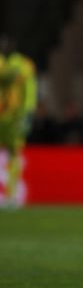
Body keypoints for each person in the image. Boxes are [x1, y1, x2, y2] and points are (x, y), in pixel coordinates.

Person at [0, 36, 37, 208]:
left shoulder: (22, 65)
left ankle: (11, 193)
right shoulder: (22, 65)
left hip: (13, 116)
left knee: (14, 153)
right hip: (9, 116)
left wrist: (28, 111)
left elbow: (29, 89)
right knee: (14, 153)